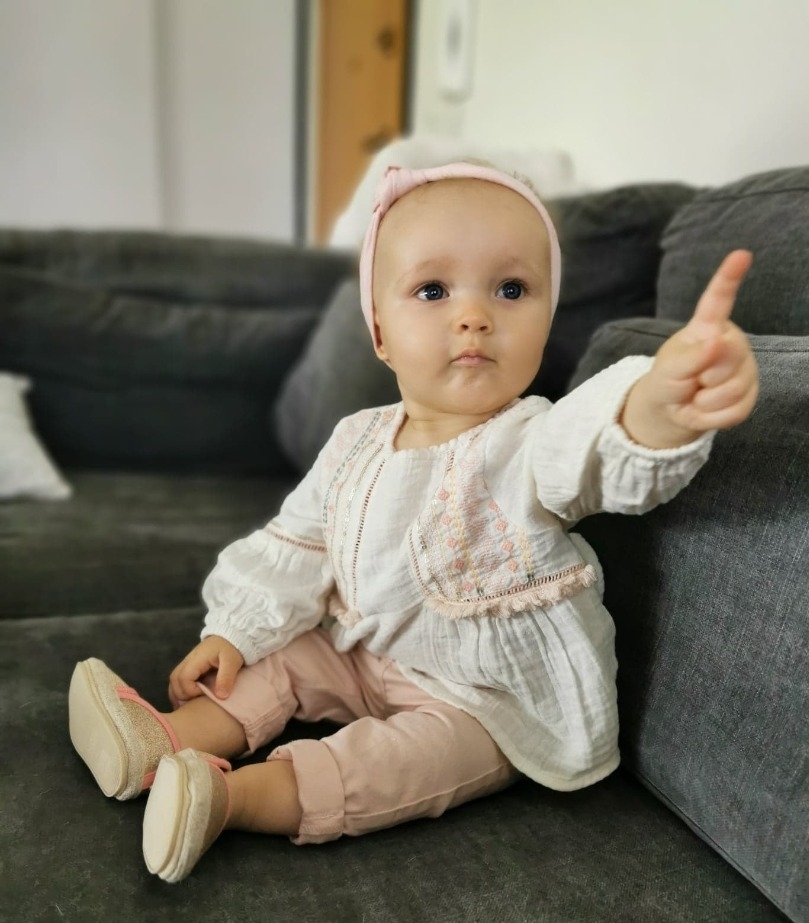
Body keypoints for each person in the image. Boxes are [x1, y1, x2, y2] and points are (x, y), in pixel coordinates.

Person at [68, 162, 759, 883]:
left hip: (484, 698)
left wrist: (656, 406)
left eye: (511, 289)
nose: (474, 315)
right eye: (433, 290)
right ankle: (163, 740)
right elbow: (298, 541)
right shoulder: (354, 438)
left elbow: (592, 449)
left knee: (408, 761)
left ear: (546, 321)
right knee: (282, 658)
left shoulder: (529, 439)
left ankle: (229, 799)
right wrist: (234, 631)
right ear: (380, 333)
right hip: (363, 651)